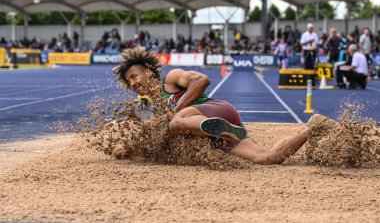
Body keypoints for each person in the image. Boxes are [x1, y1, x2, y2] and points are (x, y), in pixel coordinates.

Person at [113, 47, 310, 165]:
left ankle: (215, 126)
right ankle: (312, 128)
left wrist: (175, 111)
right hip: (216, 134)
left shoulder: (171, 80)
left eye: (134, 76)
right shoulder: (156, 110)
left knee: (175, 123)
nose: (133, 83)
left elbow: (202, 80)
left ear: (148, 71)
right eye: (129, 82)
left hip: (215, 109)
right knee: (266, 159)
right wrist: (129, 151)